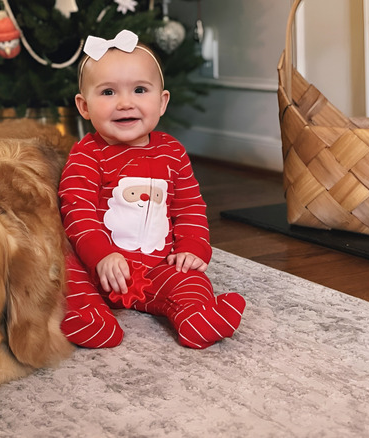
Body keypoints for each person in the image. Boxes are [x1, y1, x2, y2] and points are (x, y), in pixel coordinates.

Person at [59, 30, 245, 349]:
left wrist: (192, 247)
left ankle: (196, 317)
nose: (125, 103)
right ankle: (89, 316)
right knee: (64, 270)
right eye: (107, 93)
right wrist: (101, 256)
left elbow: (189, 207)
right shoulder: (87, 154)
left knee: (191, 279)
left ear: (161, 102)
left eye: (140, 90)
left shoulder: (172, 153)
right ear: (84, 106)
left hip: (156, 268)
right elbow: (77, 213)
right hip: (98, 268)